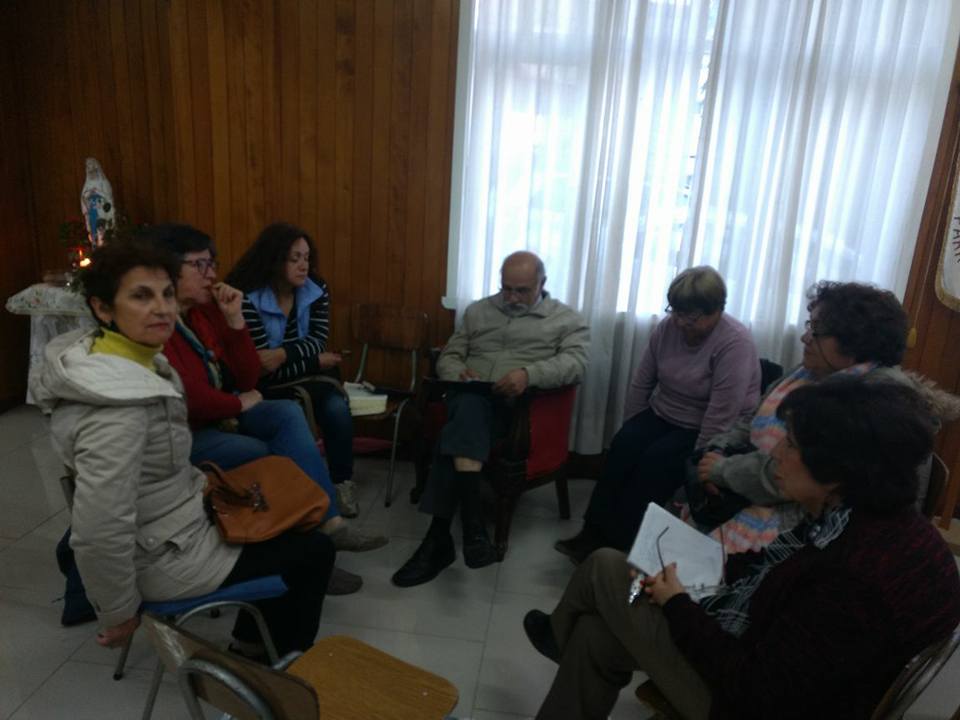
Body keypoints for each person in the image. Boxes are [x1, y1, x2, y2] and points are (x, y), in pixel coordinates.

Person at [524, 378, 960, 719]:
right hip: (776, 671)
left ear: (838, 470)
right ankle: (566, 636)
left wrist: (678, 604)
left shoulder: (853, 575)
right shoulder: (866, 519)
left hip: (751, 705)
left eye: (792, 445)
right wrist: (703, 565)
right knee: (596, 635)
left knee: (605, 565)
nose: (777, 455)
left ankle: (558, 634)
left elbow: (755, 689)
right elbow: (776, 572)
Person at [32, 241, 336, 657]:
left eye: (167, 294)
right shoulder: (118, 407)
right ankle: (269, 669)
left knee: (288, 514)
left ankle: (251, 646)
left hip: (175, 524)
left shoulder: (125, 357)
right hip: (165, 557)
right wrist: (118, 612)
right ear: (102, 308)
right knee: (314, 551)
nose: (162, 308)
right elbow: (98, 528)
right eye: (141, 296)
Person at [144, 224, 385, 594]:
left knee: (286, 413)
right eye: (200, 265)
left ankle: (329, 526)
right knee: (267, 454)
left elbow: (249, 374)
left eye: (213, 264)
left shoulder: (205, 312)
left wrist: (235, 321)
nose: (211, 274)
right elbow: (188, 396)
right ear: (169, 270)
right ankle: (305, 553)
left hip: (222, 414)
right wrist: (236, 402)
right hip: (185, 432)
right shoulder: (159, 322)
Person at [693, 281, 947, 552]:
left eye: (817, 330)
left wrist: (723, 471)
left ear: (854, 341)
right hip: (752, 488)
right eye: (808, 325)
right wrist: (718, 449)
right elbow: (751, 420)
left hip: (813, 529)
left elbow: (797, 474)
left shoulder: (874, 401)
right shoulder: (807, 372)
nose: (805, 337)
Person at [391, 251, 590, 587]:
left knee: (458, 426)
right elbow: (451, 354)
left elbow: (576, 363)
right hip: (471, 396)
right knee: (469, 405)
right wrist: (457, 371)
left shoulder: (566, 319)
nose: (511, 298)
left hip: (518, 409)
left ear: (542, 284)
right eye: (506, 288)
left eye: (521, 291)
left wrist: (529, 374)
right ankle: (472, 530)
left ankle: (439, 539)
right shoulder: (478, 311)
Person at [555, 267, 760, 562]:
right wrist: (632, 427)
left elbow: (722, 413)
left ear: (717, 310)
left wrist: (700, 459)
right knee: (622, 446)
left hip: (707, 426)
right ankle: (591, 532)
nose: (681, 322)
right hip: (665, 411)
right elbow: (642, 383)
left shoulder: (735, 343)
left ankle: (615, 543)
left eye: (691, 316)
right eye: (676, 311)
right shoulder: (667, 328)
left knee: (655, 462)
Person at [225, 222, 359, 518]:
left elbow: (318, 339)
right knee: (292, 411)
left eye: (307, 258)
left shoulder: (316, 288)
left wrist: (284, 353)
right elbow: (263, 368)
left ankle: (341, 483)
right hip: (264, 385)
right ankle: (305, 493)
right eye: (294, 258)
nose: (303, 266)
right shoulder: (247, 295)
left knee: (337, 408)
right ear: (274, 260)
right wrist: (315, 361)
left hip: (310, 378)